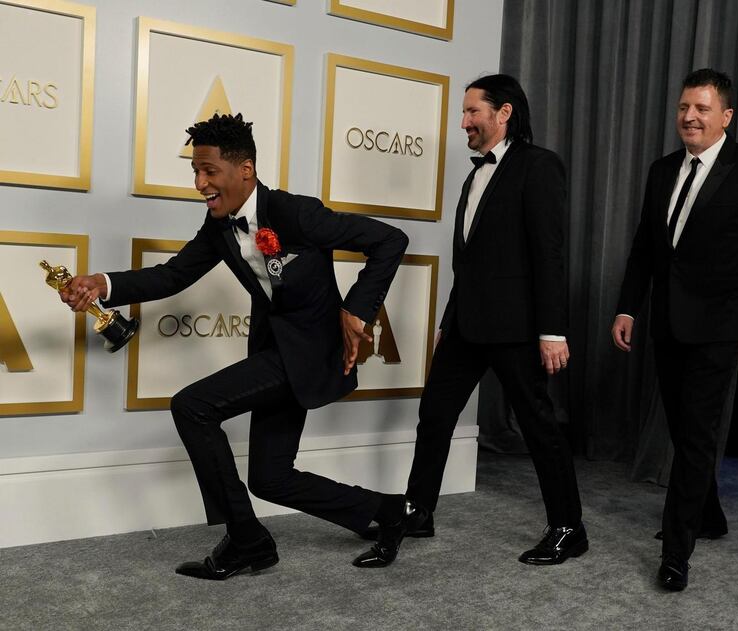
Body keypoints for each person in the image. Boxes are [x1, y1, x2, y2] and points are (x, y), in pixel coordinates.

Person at [62, 113, 410, 580]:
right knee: (270, 478)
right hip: (274, 351)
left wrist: (356, 309)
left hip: (311, 352)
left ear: (245, 169)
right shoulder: (220, 226)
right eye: (195, 172)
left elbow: (390, 240)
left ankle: (247, 541)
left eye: (209, 171)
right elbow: (173, 275)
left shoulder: (296, 213)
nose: (199, 184)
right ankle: (390, 512)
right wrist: (102, 284)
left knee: (193, 406)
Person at [353, 74, 586, 568]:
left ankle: (569, 527)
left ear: (504, 113)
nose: (463, 122)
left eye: (472, 111)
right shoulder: (474, 175)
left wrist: (552, 331)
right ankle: (419, 511)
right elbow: (470, 260)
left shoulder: (539, 166)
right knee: (435, 414)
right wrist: (449, 319)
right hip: (466, 325)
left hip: (517, 327)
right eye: (463, 113)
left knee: (538, 425)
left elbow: (549, 255)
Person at [612, 69, 738, 591]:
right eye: (684, 107)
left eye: (702, 109)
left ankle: (676, 550)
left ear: (725, 116)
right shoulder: (662, 169)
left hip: (721, 328)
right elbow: (645, 247)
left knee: (696, 435)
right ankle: (708, 515)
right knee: (684, 427)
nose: (690, 117)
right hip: (667, 324)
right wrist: (627, 309)